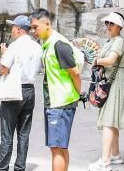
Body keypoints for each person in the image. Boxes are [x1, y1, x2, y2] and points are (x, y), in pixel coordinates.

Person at [30, 9, 81, 171]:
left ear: (47, 24)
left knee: (56, 148)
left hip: (60, 102)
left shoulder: (59, 44)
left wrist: (78, 93)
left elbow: (75, 73)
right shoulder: (49, 44)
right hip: (56, 100)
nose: (33, 31)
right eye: (32, 28)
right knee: (61, 146)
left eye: (35, 27)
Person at [0, 16, 41, 171]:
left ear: (19, 29)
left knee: (7, 132)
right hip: (29, 90)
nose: (11, 30)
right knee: (24, 133)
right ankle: (20, 166)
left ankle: (3, 167)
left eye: (13, 27)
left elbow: (3, 69)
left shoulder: (14, 46)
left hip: (14, 90)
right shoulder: (37, 47)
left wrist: (4, 53)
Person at [87, 12, 124, 171]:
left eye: (112, 23)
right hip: (111, 81)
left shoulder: (118, 41)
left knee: (108, 121)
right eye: (107, 23)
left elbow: (110, 61)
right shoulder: (111, 41)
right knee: (112, 120)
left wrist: (96, 61)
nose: (108, 26)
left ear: (119, 26)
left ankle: (105, 162)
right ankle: (115, 155)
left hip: (113, 82)